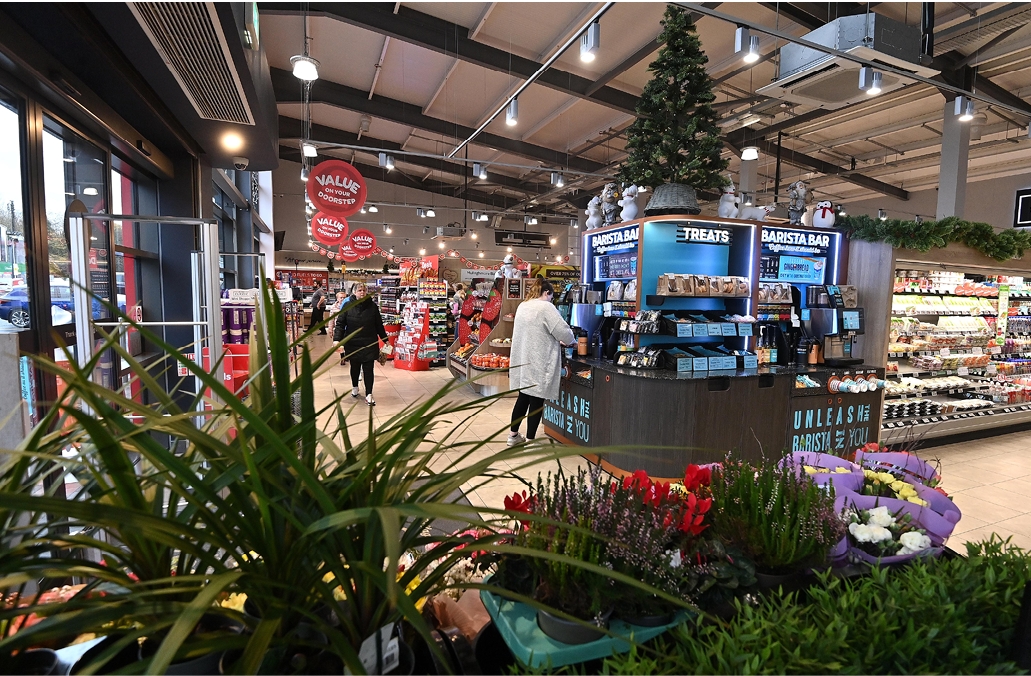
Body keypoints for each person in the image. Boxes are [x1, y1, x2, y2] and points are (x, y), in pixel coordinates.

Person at [508, 278, 574, 445]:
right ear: (546, 293)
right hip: (539, 360)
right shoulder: (546, 307)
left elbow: (537, 330)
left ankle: (513, 436)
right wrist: (570, 340)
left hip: (523, 359)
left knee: (523, 398)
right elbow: (563, 331)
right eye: (551, 296)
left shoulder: (523, 305)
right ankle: (530, 441)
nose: (551, 299)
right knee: (536, 401)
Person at [333, 283, 387, 406]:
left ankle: (369, 394)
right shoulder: (347, 305)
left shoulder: (372, 307)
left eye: (364, 290)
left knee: (369, 369)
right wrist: (337, 339)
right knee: (355, 366)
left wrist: (385, 340)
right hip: (353, 342)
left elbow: (379, 325)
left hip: (369, 342)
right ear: (354, 292)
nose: (362, 292)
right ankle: (355, 387)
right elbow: (340, 324)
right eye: (359, 290)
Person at [328, 291, 349, 365]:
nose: (342, 299)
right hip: (339, 328)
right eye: (341, 297)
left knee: (347, 343)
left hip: (348, 328)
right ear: (337, 298)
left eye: (344, 297)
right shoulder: (334, 307)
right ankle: (342, 357)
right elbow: (331, 319)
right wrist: (330, 330)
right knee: (341, 343)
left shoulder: (348, 306)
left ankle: (346, 355)